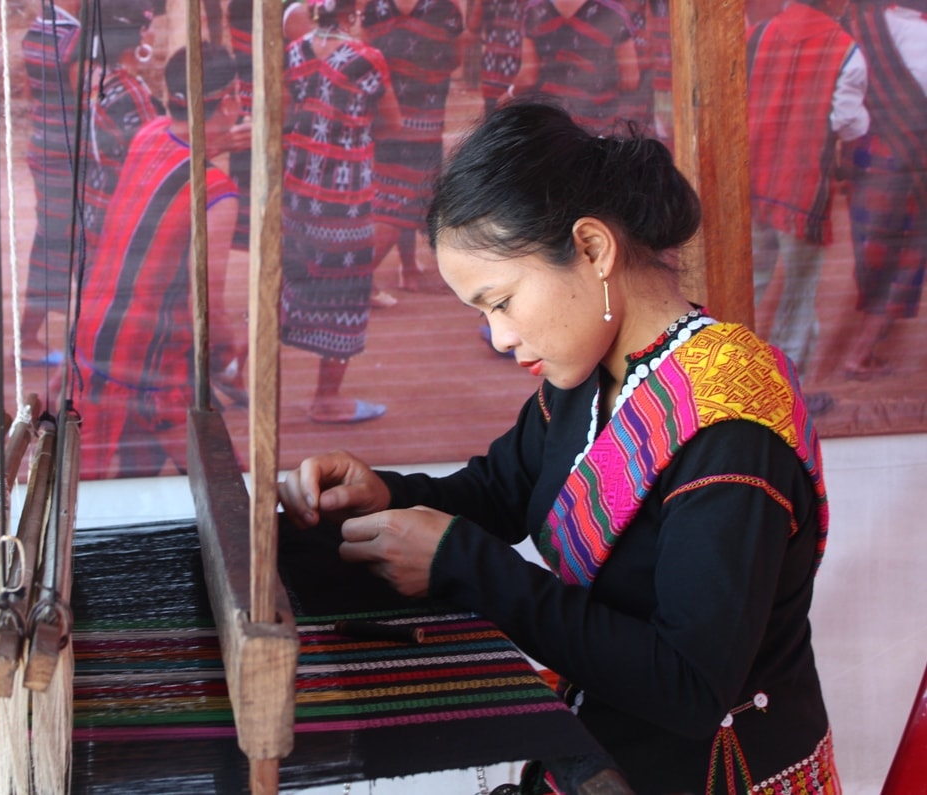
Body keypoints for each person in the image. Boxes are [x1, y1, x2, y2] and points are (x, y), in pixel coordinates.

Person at [278, 101, 839, 793]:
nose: (500, 336)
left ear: (594, 249)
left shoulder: (731, 429)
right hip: (597, 756)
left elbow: (691, 685)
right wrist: (387, 495)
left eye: (503, 301)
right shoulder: (593, 375)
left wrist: (463, 563)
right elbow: (499, 490)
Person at [72, 43, 243, 479]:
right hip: (149, 364)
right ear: (227, 102)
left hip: (97, 336)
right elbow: (203, 308)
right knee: (225, 491)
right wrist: (233, 348)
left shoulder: (150, 133)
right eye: (238, 96)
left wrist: (220, 138)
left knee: (131, 477)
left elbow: (182, 152)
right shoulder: (216, 192)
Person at [280, 0, 403, 424]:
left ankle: (240, 367)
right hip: (344, 196)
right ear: (356, 11)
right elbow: (392, 124)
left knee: (293, 279)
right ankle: (326, 398)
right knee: (346, 289)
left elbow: (283, 115)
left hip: (298, 191)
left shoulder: (293, 53)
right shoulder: (368, 60)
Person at [747, 0, 868, 412]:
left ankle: (726, 385)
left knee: (749, 284)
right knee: (798, 295)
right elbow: (847, 121)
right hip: (801, 187)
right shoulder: (845, 48)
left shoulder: (756, 35)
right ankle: (784, 397)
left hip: (749, 181)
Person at [838, 1, 927, 381]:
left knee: (874, 256)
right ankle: (859, 354)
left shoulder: (860, 24)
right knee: (902, 261)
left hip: (864, 157)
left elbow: (844, 103)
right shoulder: (920, 34)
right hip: (907, 162)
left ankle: (863, 349)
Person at [361, 0, 465, 307]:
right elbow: (455, 58)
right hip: (425, 118)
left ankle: (407, 266)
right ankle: (359, 281)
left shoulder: (374, 8)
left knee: (395, 195)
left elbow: (367, 60)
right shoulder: (445, 10)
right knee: (404, 201)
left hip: (385, 118)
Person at [17, 0, 84, 368]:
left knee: (54, 240)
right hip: (68, 153)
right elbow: (84, 101)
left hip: (45, 144)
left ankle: (31, 333)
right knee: (62, 242)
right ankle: (29, 336)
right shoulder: (72, 38)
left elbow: (32, 94)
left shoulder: (39, 29)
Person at [81, 0, 161, 259]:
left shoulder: (95, 79)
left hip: (92, 215)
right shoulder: (130, 93)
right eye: (149, 27)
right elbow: (157, 161)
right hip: (120, 226)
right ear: (139, 35)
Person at [519, 0, 640, 133]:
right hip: (596, 126)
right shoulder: (615, 13)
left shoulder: (535, 10)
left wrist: (506, 97)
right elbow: (630, 79)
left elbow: (528, 76)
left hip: (549, 125)